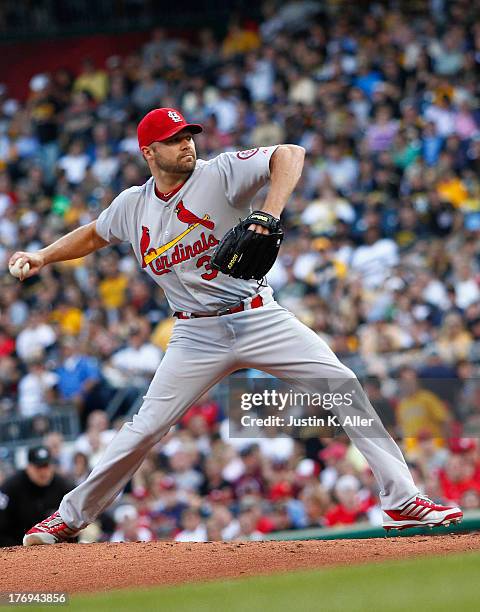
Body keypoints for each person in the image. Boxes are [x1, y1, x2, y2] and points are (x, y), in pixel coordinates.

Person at [10, 106, 462, 546]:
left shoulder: (219, 172)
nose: (186, 145)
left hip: (257, 315)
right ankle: (69, 519)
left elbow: (290, 153)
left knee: (341, 384)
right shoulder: (134, 205)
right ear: (149, 152)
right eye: (173, 140)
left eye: (188, 136)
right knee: (145, 427)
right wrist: (42, 256)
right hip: (194, 334)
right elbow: (94, 233)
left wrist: (269, 212)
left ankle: (402, 499)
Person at [0, 446, 74, 546]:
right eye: (39, 467)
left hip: (55, 548)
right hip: (17, 547)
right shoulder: (11, 487)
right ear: (28, 467)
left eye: (46, 466)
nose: (44, 472)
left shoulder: (62, 485)